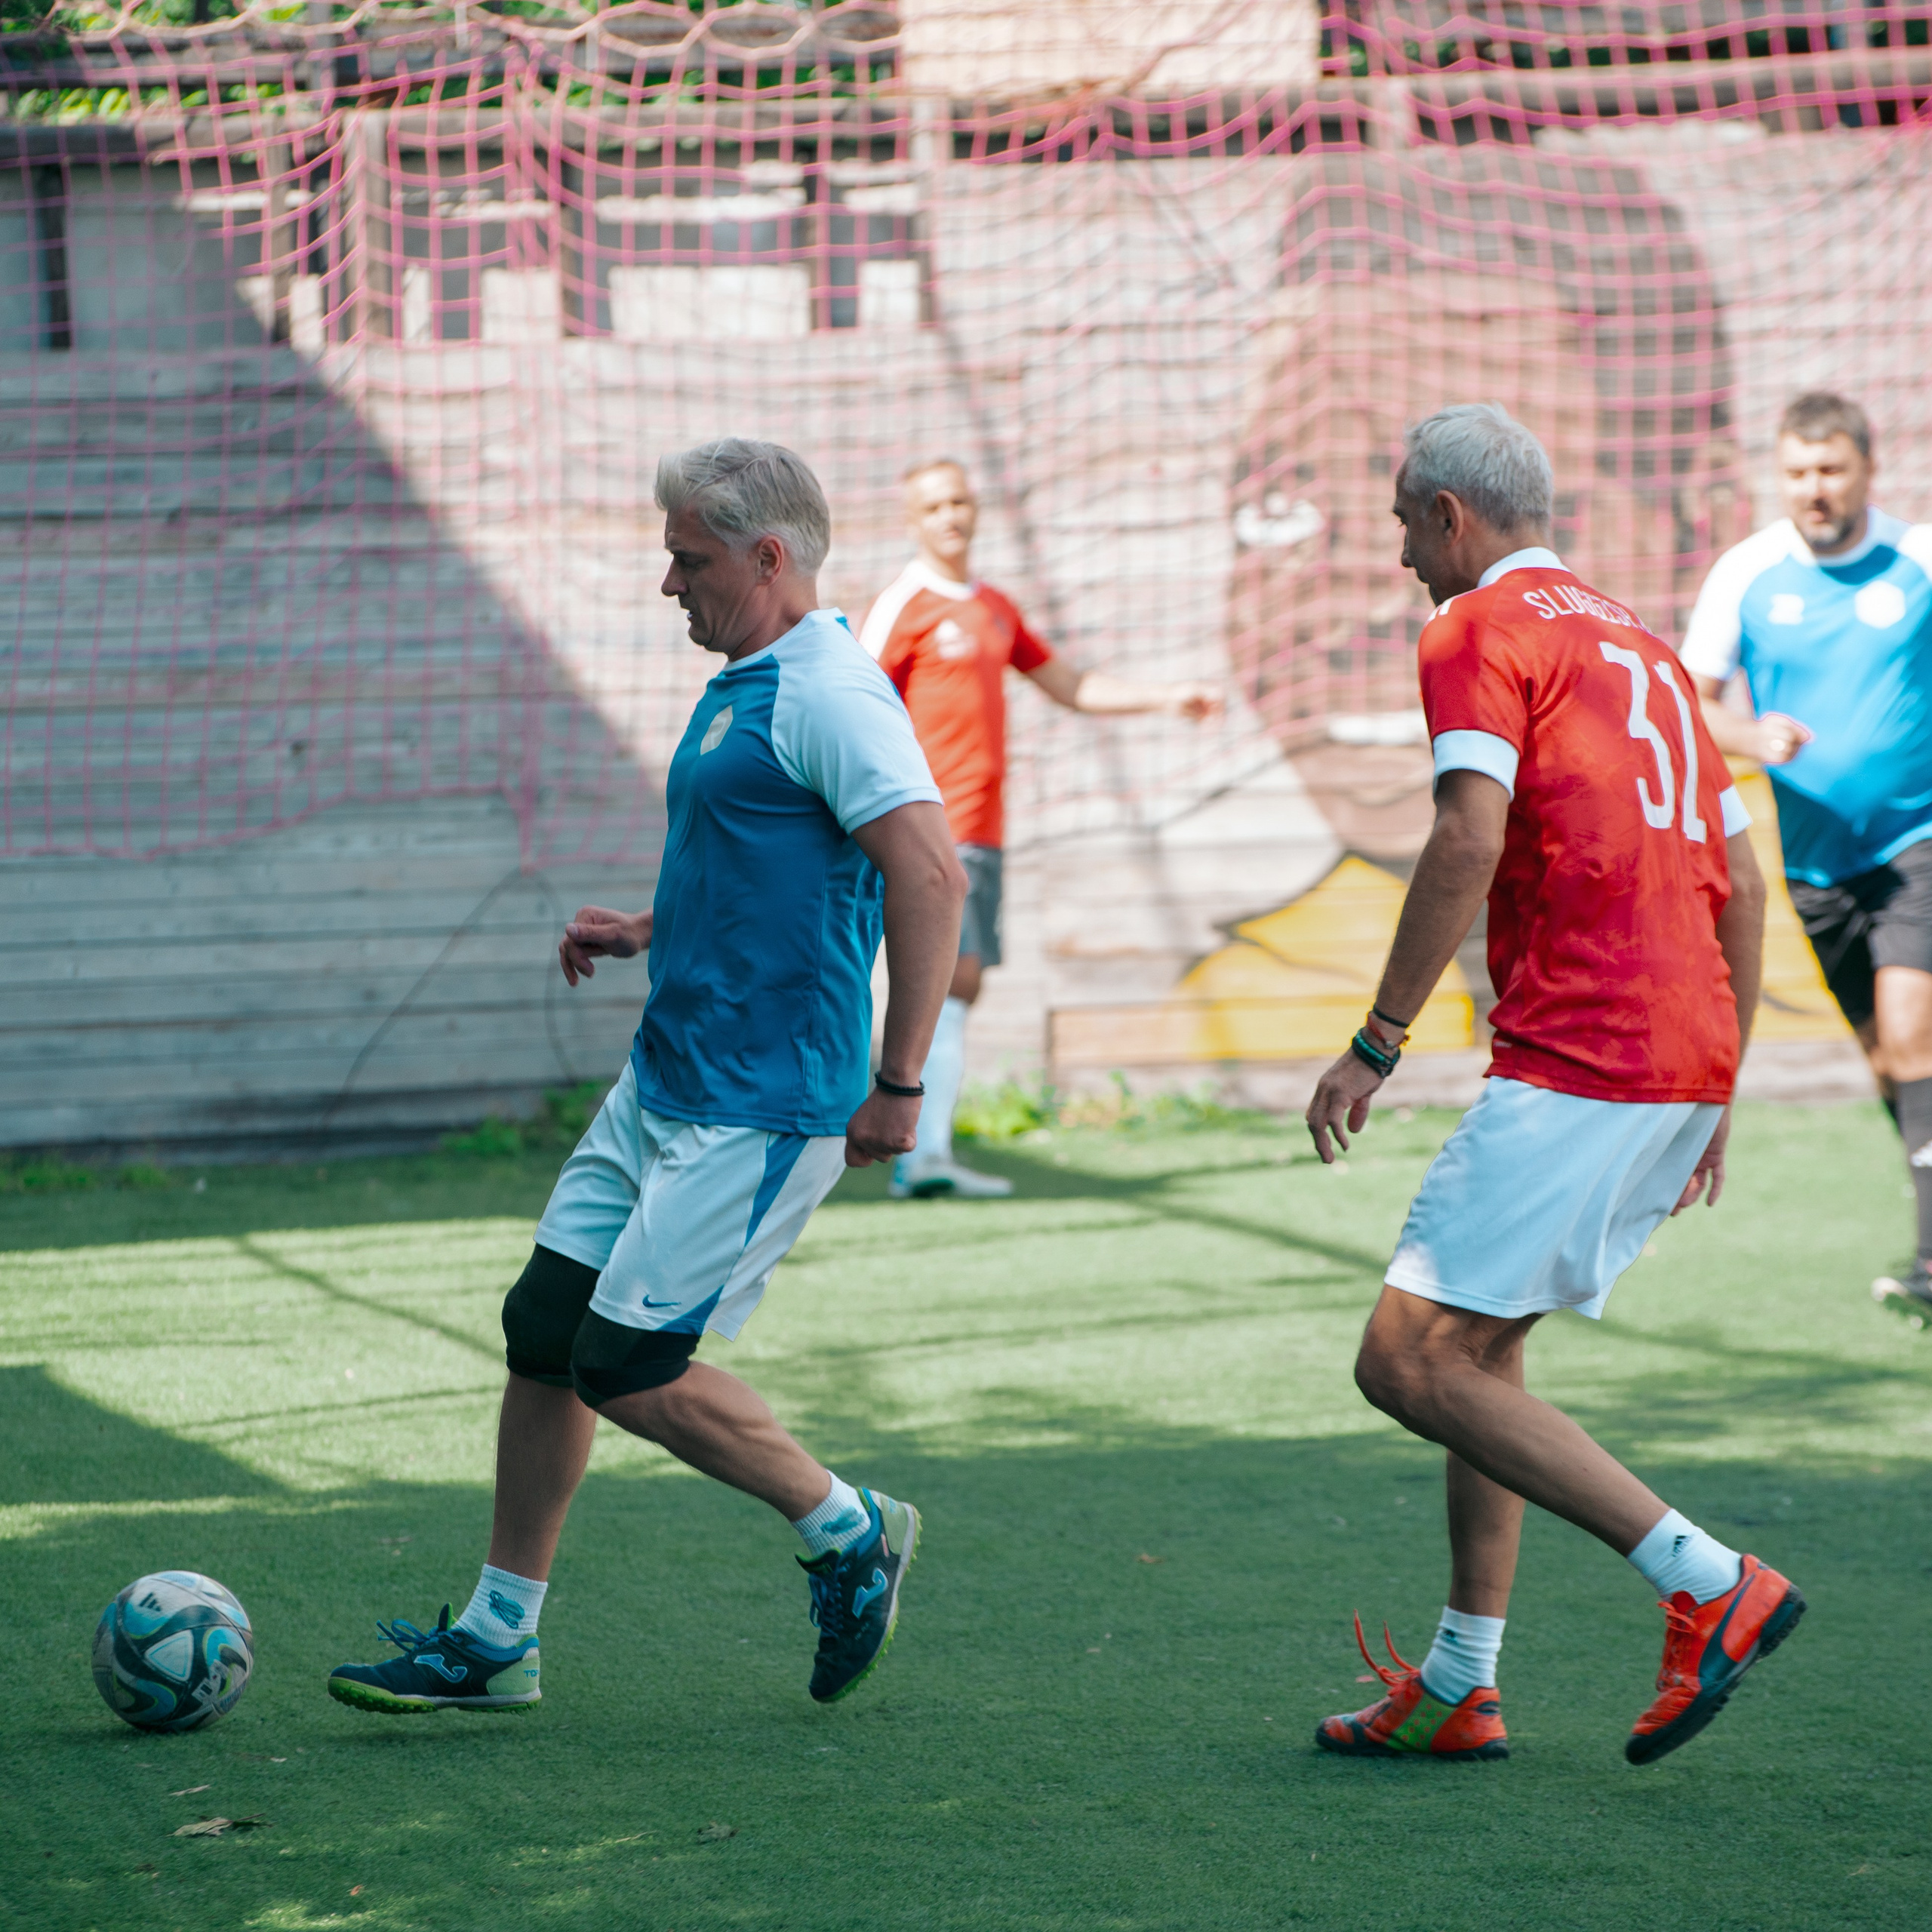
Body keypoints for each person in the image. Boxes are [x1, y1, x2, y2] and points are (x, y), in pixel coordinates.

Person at [328, 440, 966, 1715]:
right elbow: (759, 865)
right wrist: (647, 930)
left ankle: (850, 1529)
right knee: (543, 1336)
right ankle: (501, 1640)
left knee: (628, 1363)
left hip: (761, 1105)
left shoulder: (833, 690)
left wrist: (900, 1084)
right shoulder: (745, 678)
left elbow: (929, 873)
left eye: (689, 559)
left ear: (767, 557)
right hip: (664, 1081)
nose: (668, 582)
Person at [1304, 403, 1800, 1767]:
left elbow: (1466, 837)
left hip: (1589, 1044)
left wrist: (1379, 1036)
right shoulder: (1639, 639)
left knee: (1404, 1360)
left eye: (1407, 523)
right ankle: (1465, 1682)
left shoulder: (1475, 630)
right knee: (1486, 1350)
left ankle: (1710, 1581)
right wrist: (1721, 1087)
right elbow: (1743, 885)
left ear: (1451, 514)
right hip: (1680, 1047)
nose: (1403, 555)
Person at [860, 458, 1222, 1199]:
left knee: (958, 983)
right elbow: (856, 705)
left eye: (961, 500)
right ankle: (918, 1157)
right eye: (934, 505)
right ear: (912, 520)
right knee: (942, 981)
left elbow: (1069, 683)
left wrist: (1164, 697)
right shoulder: (905, 604)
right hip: (928, 828)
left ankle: (922, 1151)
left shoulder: (993, 606)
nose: (950, 515)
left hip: (982, 830)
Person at [1681, 392, 1932, 1316]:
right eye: (1796, 473)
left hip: (1917, 842)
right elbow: (1690, 703)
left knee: (1912, 1034)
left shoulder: (1918, 560)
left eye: (1830, 471)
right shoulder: (1745, 573)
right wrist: (1747, 737)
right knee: (1887, 1058)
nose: (1813, 490)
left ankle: (1931, 1266)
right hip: (1812, 864)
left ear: (1867, 469)